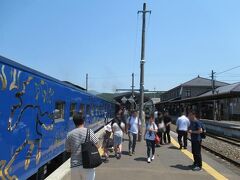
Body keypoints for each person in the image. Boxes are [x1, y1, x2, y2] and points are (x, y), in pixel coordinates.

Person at [65, 112, 99, 180]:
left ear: (74, 122)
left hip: (75, 166)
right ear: (83, 121)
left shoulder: (69, 134)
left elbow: (68, 150)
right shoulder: (89, 131)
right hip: (88, 164)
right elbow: (97, 145)